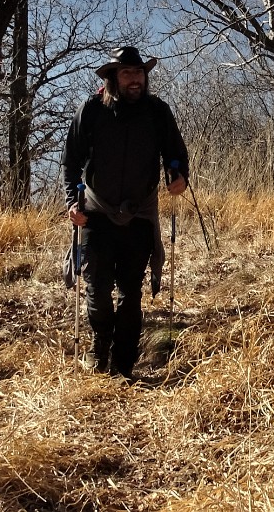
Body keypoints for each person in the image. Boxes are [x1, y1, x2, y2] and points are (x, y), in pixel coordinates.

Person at [62, 46, 189, 379]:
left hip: (139, 215)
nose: (135, 80)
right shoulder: (91, 110)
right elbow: (71, 160)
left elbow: (175, 152)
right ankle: (101, 342)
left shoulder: (157, 111)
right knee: (98, 289)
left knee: (131, 292)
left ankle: (123, 365)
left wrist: (178, 175)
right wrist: (71, 203)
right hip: (95, 213)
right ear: (113, 78)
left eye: (139, 73)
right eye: (127, 73)